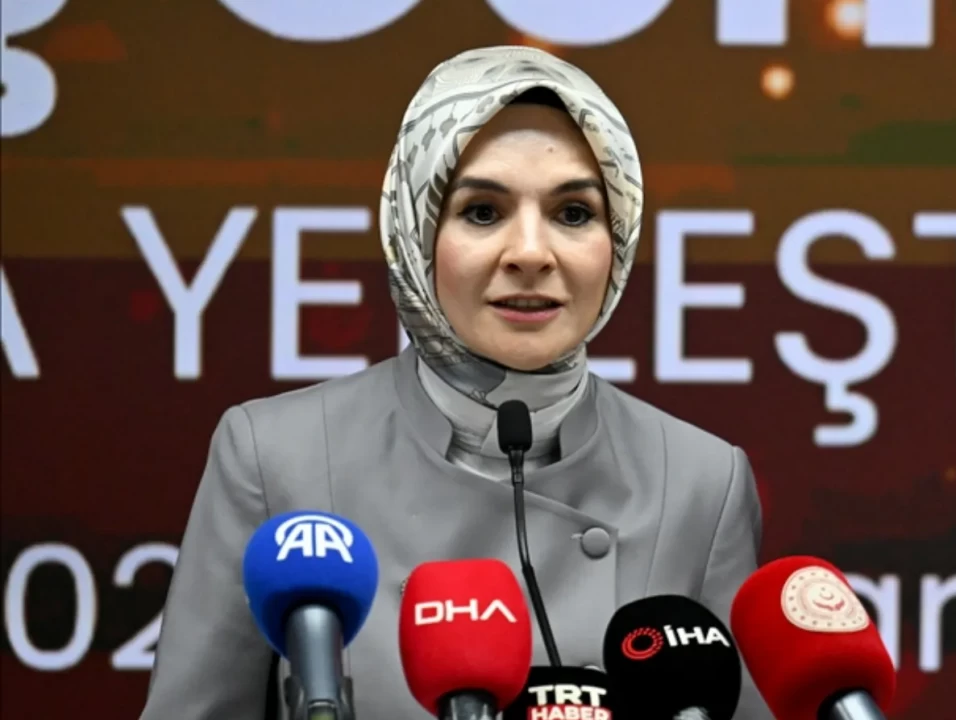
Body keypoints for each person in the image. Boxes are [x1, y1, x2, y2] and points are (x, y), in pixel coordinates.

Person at [138, 45, 766, 718]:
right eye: (483, 212)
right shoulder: (276, 456)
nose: (531, 253)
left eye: (574, 213)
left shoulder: (703, 482)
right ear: (416, 230)